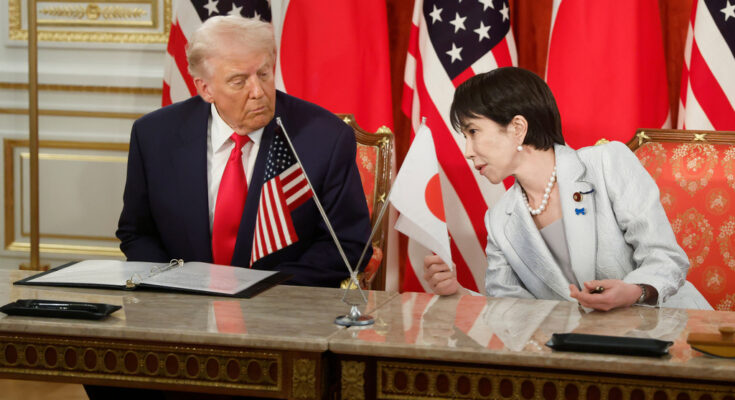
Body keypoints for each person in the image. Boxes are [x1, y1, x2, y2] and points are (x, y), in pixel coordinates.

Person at [424, 67, 711, 311]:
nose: (468, 151)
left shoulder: (607, 162)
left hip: (672, 332)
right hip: (584, 350)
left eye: (473, 132)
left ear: (518, 128)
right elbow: (510, 310)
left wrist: (634, 290)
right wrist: (458, 294)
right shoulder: (499, 220)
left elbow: (666, 257)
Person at [115, 16, 372, 288]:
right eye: (239, 81)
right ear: (205, 88)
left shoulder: (324, 138)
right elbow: (137, 233)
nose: (258, 91)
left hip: (278, 302)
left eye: (264, 74)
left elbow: (348, 244)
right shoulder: (154, 135)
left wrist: (265, 288)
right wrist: (175, 286)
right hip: (181, 303)